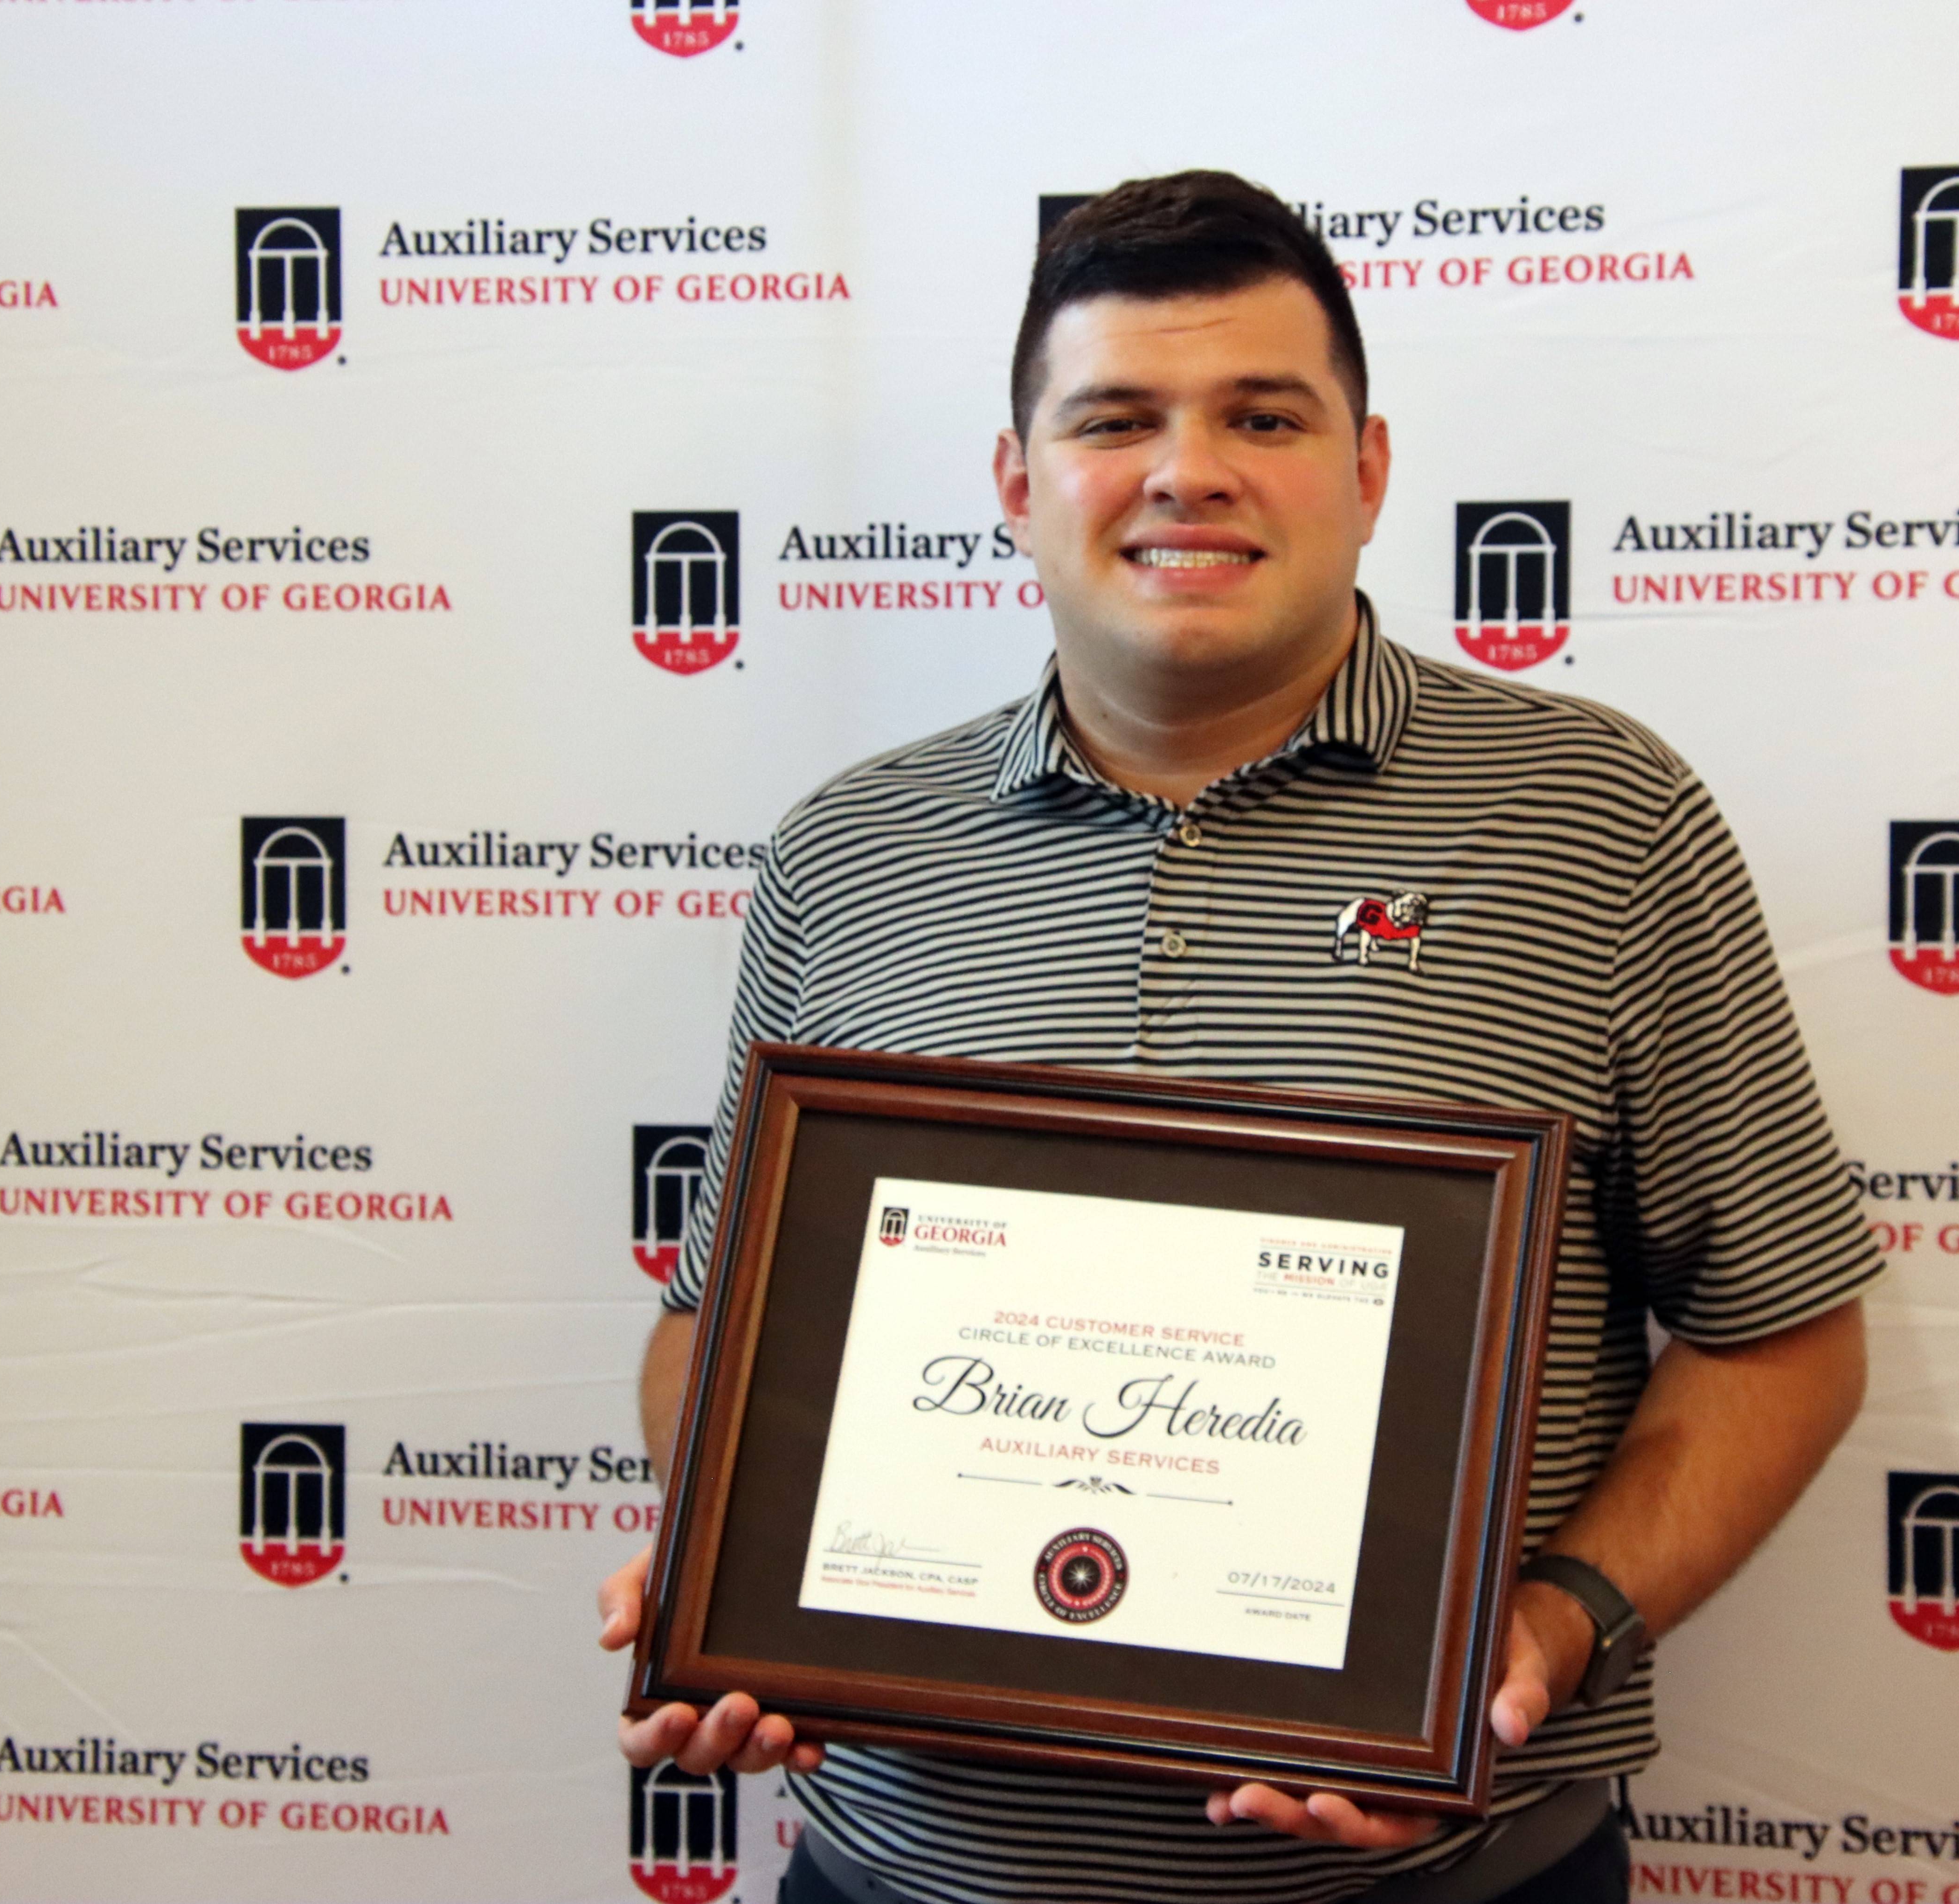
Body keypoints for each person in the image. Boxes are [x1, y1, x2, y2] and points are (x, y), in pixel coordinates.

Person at [599, 170, 1881, 1904]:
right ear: (1016, 482)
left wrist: (1544, 1633)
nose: (1185, 470)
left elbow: (1778, 1334)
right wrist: (732, 1576)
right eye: (1114, 417)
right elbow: (710, 1335)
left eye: (1261, 415)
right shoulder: (853, 850)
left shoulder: (1596, 818)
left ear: (1364, 471)